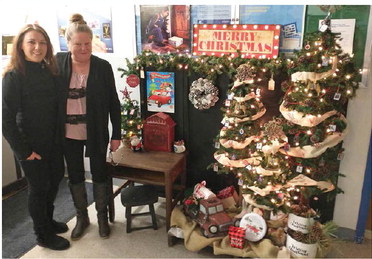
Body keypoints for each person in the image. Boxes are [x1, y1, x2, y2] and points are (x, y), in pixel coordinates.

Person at [2, 24, 70, 250]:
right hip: (30, 146)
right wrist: (24, 151)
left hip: (53, 141)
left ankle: (48, 221)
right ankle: (42, 235)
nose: (37, 47)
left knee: (54, 182)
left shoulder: (48, 71)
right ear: (21, 45)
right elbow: (6, 119)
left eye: (42, 43)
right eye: (32, 42)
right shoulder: (13, 76)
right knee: (39, 189)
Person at [55, 13, 121, 240]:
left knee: (99, 173)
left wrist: (117, 134)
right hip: (68, 133)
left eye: (87, 44)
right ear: (68, 43)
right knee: (75, 174)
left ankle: (102, 217)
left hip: (95, 131)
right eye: (78, 44)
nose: (83, 48)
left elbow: (114, 102)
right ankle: (82, 218)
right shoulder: (58, 62)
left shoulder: (102, 67)